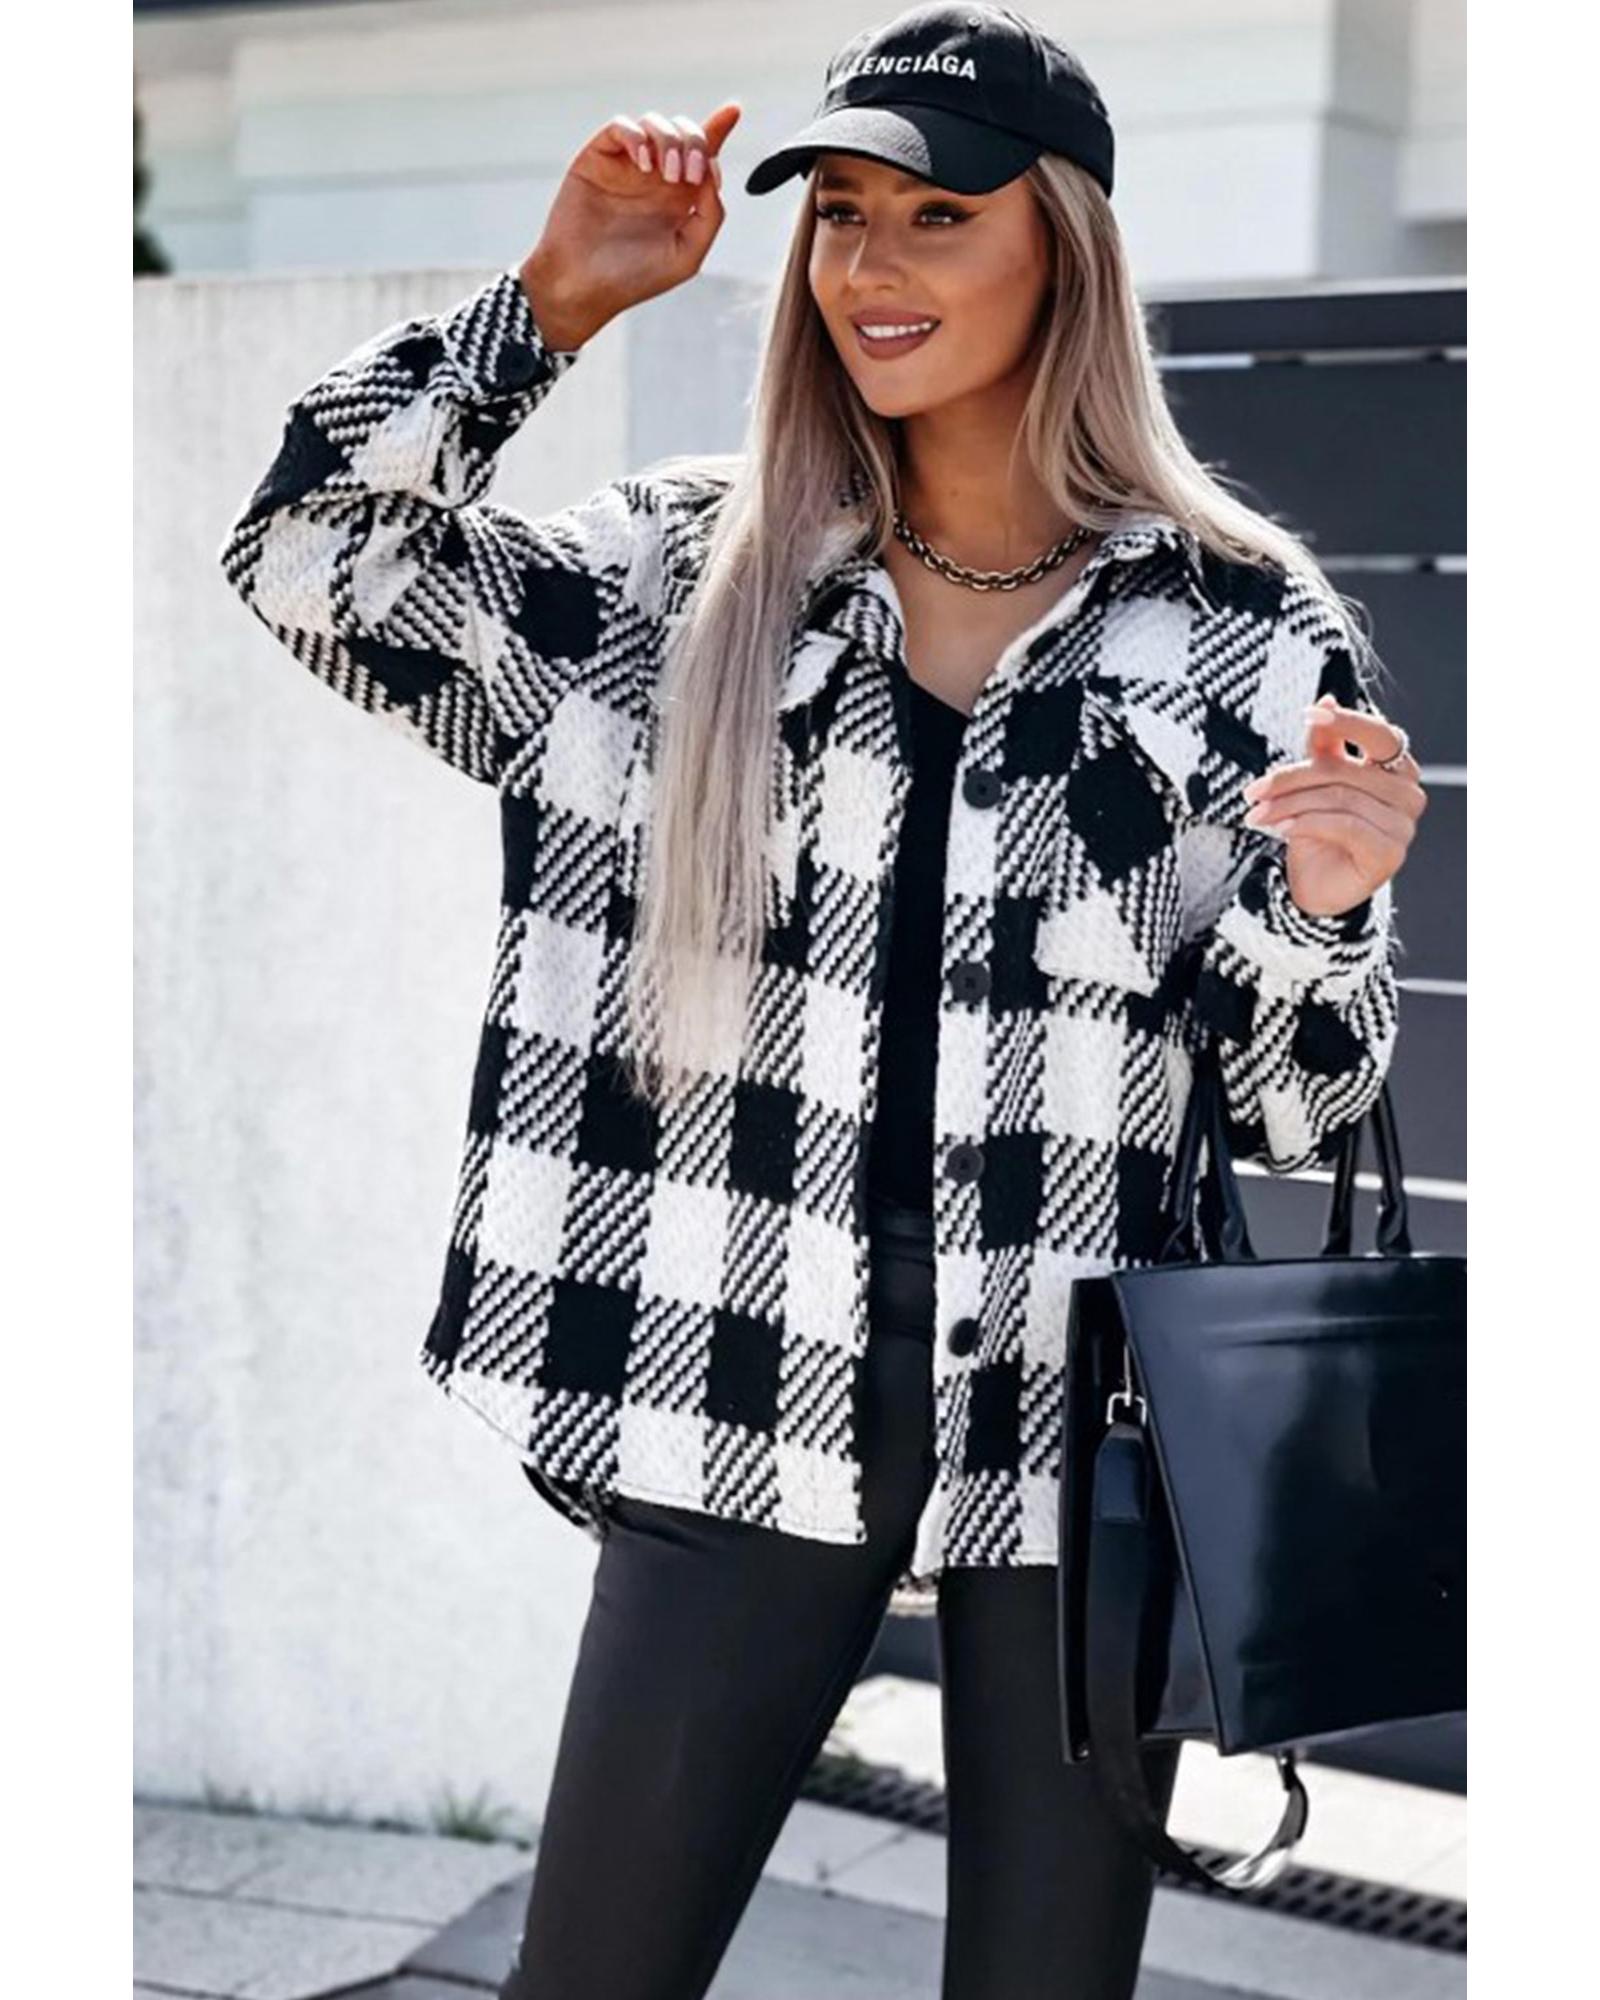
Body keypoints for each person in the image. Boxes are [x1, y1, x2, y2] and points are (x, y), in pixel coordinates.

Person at [216, 5, 1427, 1993]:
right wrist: (548, 305)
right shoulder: (673, 577)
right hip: (725, 1386)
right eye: (842, 214)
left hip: (1074, 1430)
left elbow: (1294, 1112)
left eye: (936, 215)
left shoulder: (1236, 625)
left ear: (1062, 248)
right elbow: (309, 556)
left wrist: (1320, 910)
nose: (869, 265)